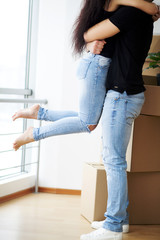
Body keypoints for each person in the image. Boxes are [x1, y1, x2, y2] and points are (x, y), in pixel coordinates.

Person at [12, 0, 158, 151]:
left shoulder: (123, 9)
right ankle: (34, 133)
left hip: (101, 66)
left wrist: (147, 14)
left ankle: (40, 113)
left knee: (87, 118)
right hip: (97, 65)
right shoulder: (118, 2)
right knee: (88, 122)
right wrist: (151, 9)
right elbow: (149, 7)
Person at [80, 1, 160, 240]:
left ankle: (113, 226)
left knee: (114, 161)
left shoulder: (129, 13)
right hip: (126, 94)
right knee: (114, 159)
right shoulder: (140, 14)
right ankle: (120, 220)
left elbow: (88, 34)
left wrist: (115, 2)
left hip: (121, 95)